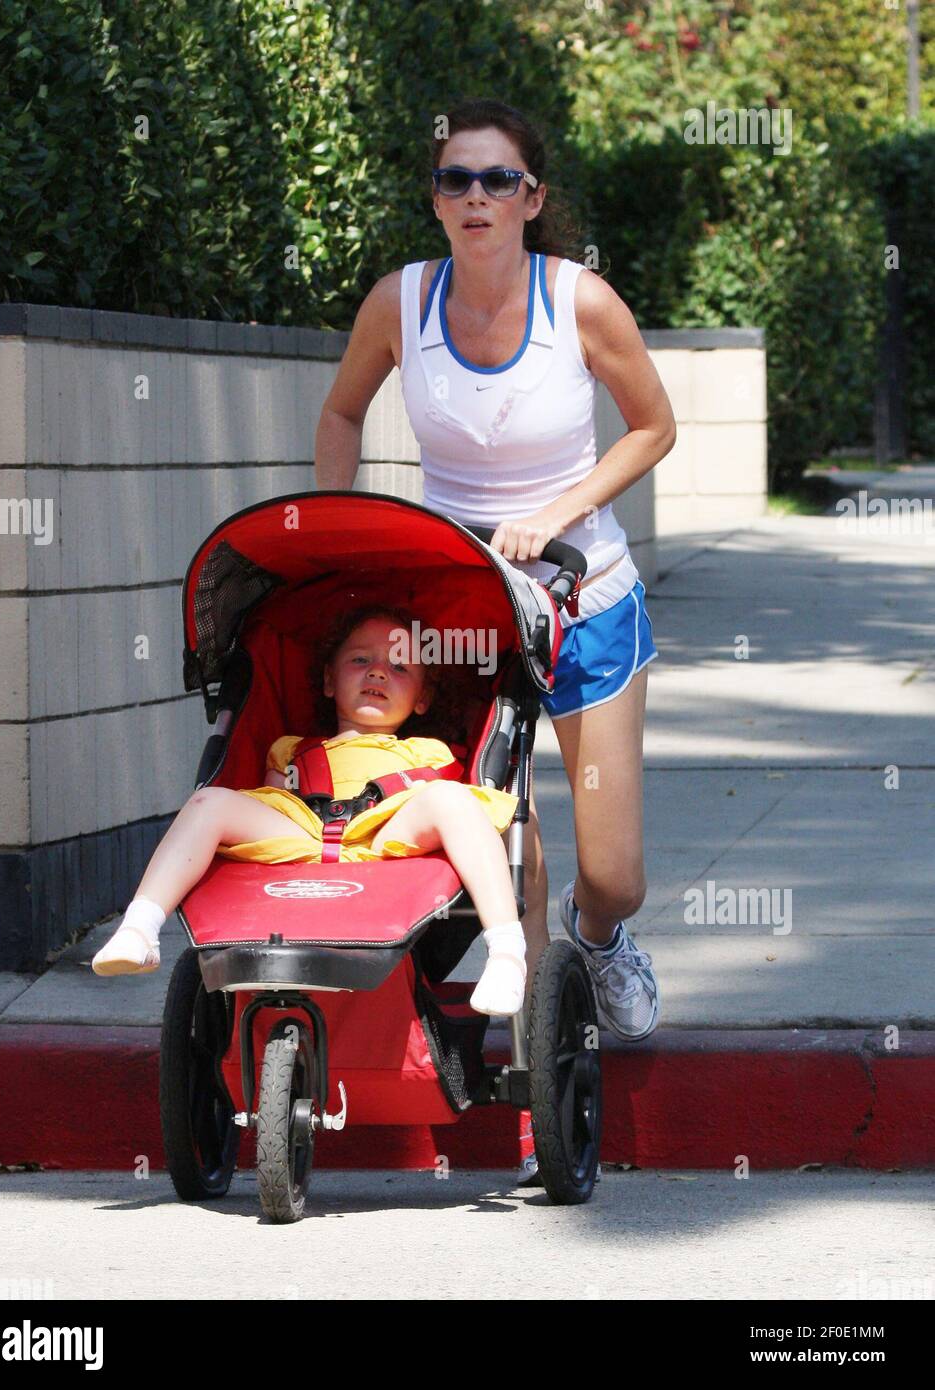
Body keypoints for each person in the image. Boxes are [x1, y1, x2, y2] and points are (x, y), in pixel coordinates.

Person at [313, 99, 677, 1180]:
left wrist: (561, 509)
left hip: (585, 597)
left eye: (496, 179)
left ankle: (598, 942)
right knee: (502, 825)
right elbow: (340, 413)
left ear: (532, 198)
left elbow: (653, 425)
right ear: (435, 198)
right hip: (461, 605)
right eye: (454, 180)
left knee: (609, 872)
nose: (474, 197)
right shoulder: (399, 302)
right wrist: (336, 528)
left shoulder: (580, 303)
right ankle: (536, 1047)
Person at [91, 605, 528, 1017]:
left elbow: (449, 813)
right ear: (328, 681)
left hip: (386, 833)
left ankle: (507, 950)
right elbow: (270, 804)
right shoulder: (291, 749)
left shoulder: (426, 752)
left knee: (455, 800)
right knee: (210, 802)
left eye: (399, 667)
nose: (378, 671)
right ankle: (139, 927)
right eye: (361, 660)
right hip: (302, 831)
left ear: (421, 699)